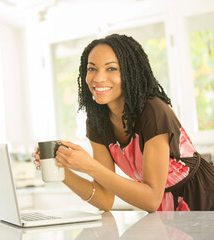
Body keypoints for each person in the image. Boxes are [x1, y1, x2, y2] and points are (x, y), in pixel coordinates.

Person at [32, 34, 214, 212]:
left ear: (130, 72)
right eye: (92, 68)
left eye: (111, 69)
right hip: (165, 213)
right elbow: (104, 200)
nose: (98, 78)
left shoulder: (153, 111)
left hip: (204, 200)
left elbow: (151, 199)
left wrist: (89, 166)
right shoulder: (98, 121)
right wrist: (60, 168)